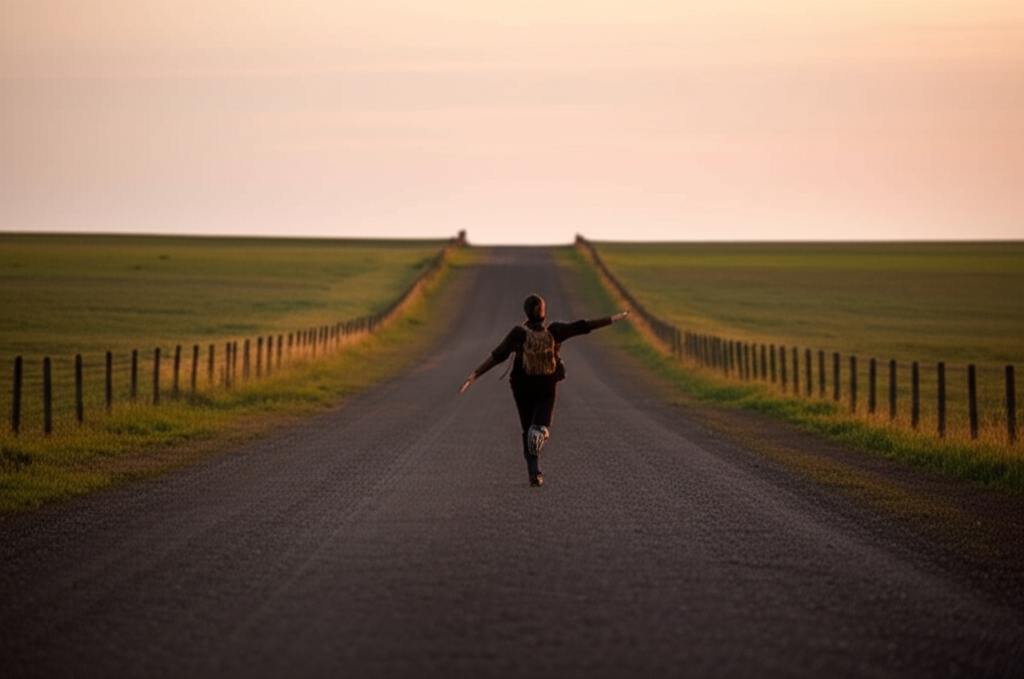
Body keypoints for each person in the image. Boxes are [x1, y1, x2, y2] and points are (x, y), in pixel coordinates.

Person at [460, 293, 628, 486]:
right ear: (543, 312)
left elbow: (498, 355)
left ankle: (534, 470)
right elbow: (582, 326)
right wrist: (612, 319)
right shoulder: (554, 331)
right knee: (538, 429)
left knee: (527, 429)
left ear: (526, 312)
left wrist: (475, 374)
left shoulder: (519, 334)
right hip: (547, 384)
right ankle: (537, 456)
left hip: (521, 386)